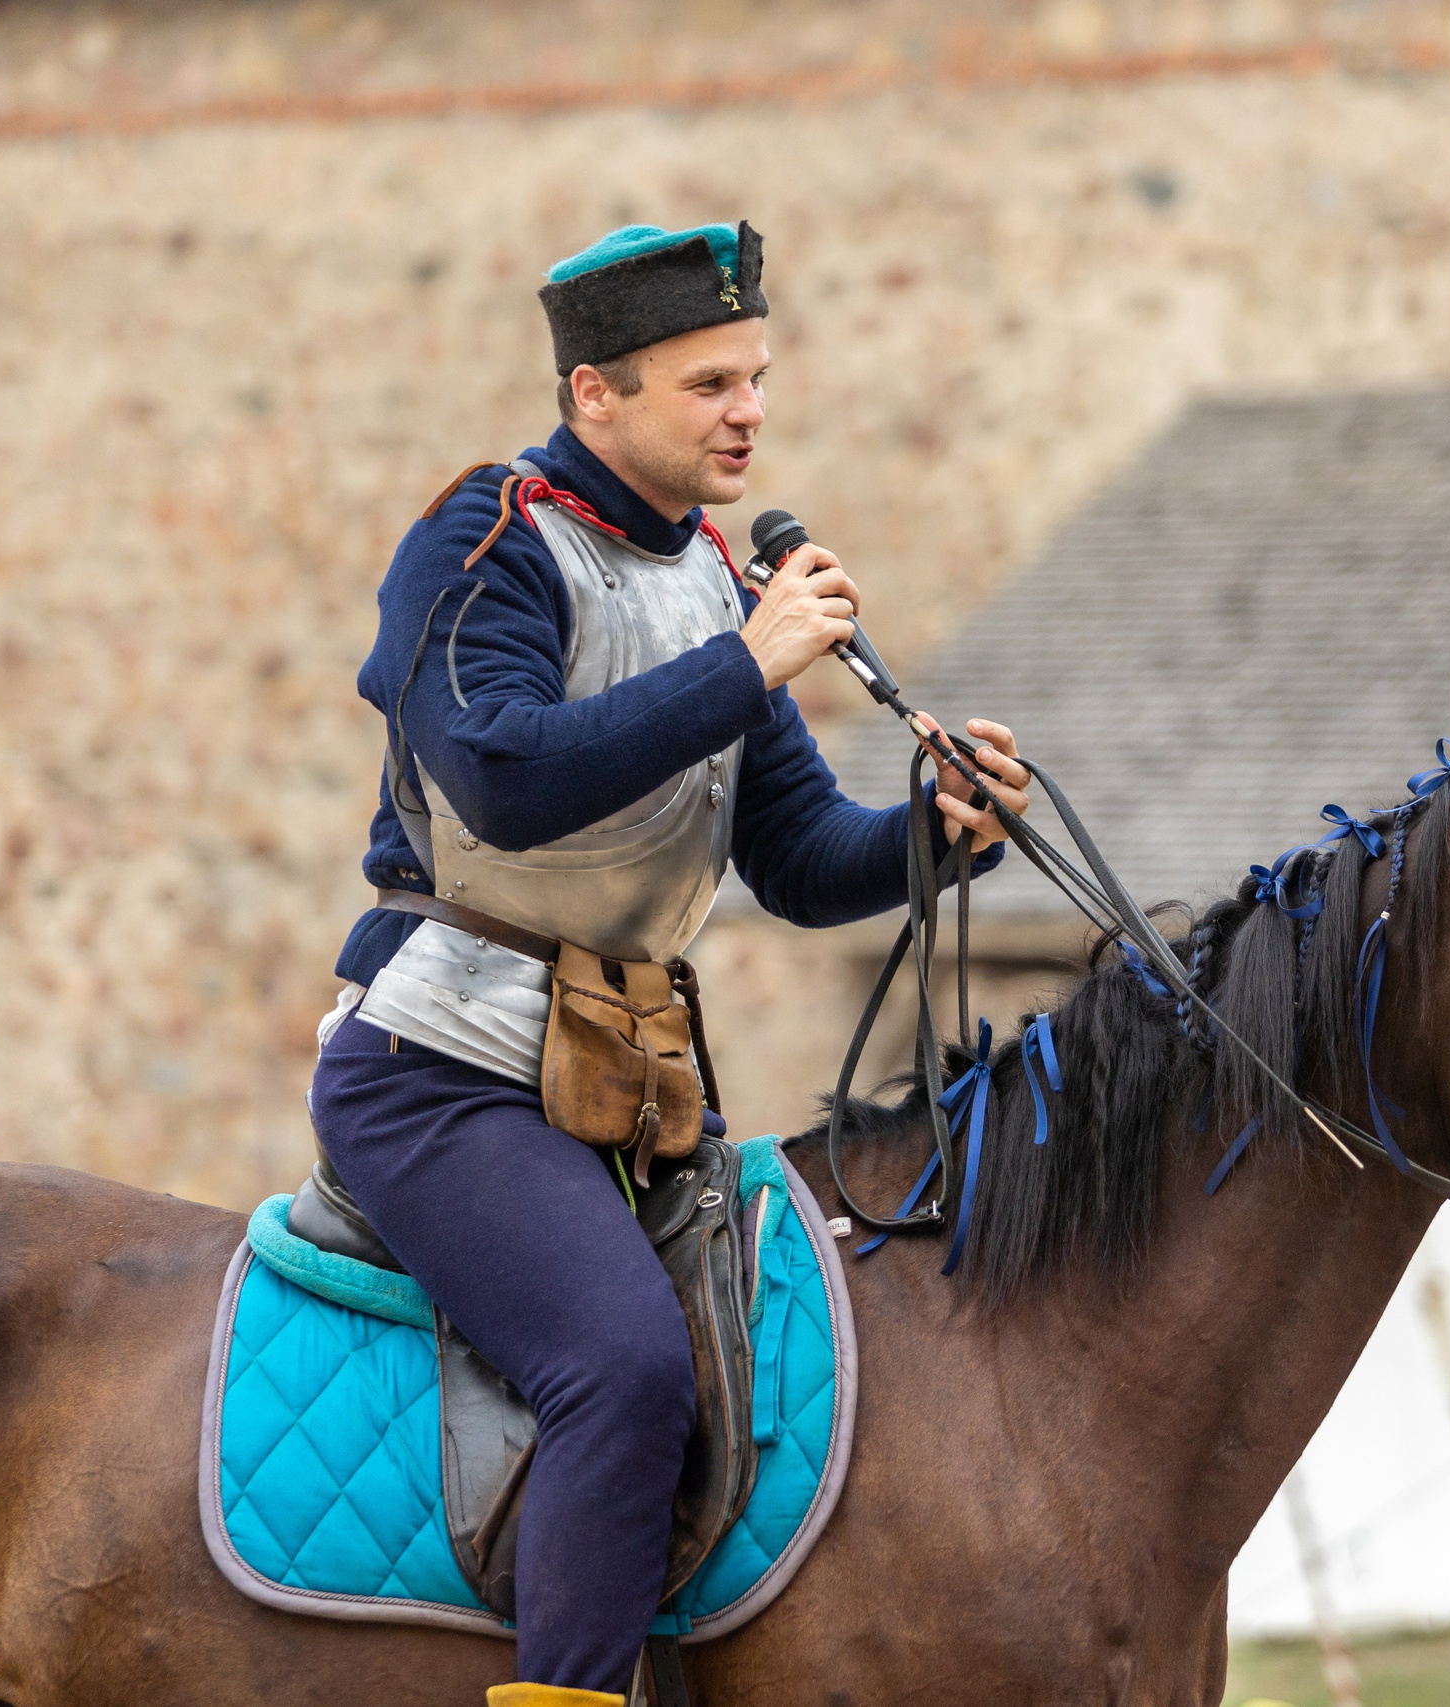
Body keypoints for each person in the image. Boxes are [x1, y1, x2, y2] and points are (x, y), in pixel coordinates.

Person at [311, 221, 1032, 1707]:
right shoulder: (484, 541)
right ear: (596, 395)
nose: (748, 412)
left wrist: (938, 831)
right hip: (434, 1073)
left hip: (626, 1090)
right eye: (708, 383)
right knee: (624, 1365)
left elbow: (799, 858)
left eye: (755, 376)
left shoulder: (713, 575)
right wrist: (749, 662)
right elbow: (502, 777)